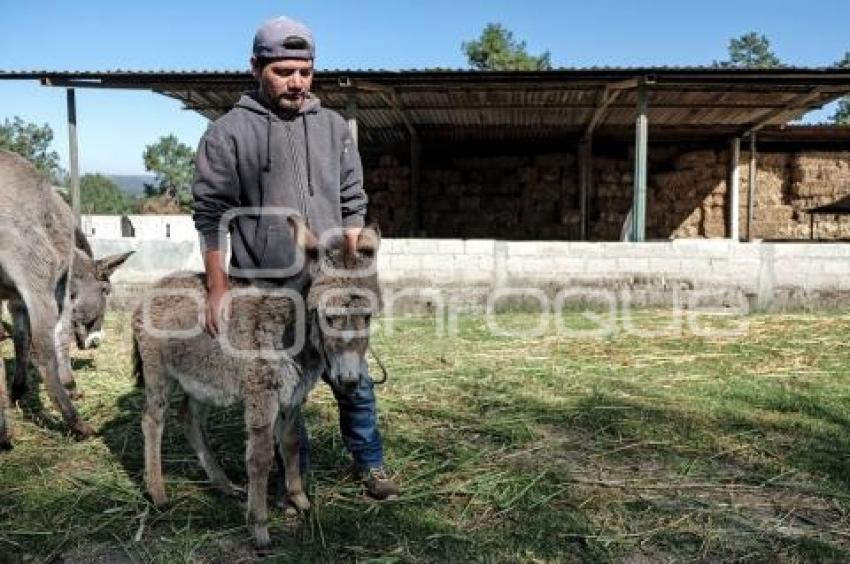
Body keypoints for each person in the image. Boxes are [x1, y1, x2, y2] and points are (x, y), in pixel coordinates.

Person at [191, 16, 399, 500]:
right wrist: (218, 287)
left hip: (329, 284)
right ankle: (292, 476)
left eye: (304, 71)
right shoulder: (227, 134)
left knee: (356, 378)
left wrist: (356, 270)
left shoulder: (333, 128)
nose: (297, 82)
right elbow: (210, 215)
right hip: (267, 288)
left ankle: (370, 464)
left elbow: (352, 202)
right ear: (256, 67)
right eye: (284, 71)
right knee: (287, 385)